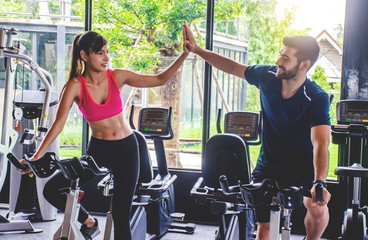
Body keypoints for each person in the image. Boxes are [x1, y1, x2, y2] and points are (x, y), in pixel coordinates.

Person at [20, 25, 189, 240]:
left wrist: (184, 54)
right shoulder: (75, 86)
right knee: (51, 190)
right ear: (84, 55)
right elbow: (59, 124)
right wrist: (36, 156)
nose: (106, 57)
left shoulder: (117, 76)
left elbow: (159, 80)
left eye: (107, 52)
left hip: (127, 149)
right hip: (98, 151)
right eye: (100, 53)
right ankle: (88, 221)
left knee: (120, 215)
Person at [183, 21, 331, 240]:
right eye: (280, 54)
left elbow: (320, 143)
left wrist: (320, 181)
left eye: (286, 58)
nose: (278, 61)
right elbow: (234, 68)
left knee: (317, 208)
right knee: (264, 229)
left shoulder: (316, 97)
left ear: (304, 65)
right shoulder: (267, 76)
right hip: (269, 165)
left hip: (302, 168)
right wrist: (197, 50)